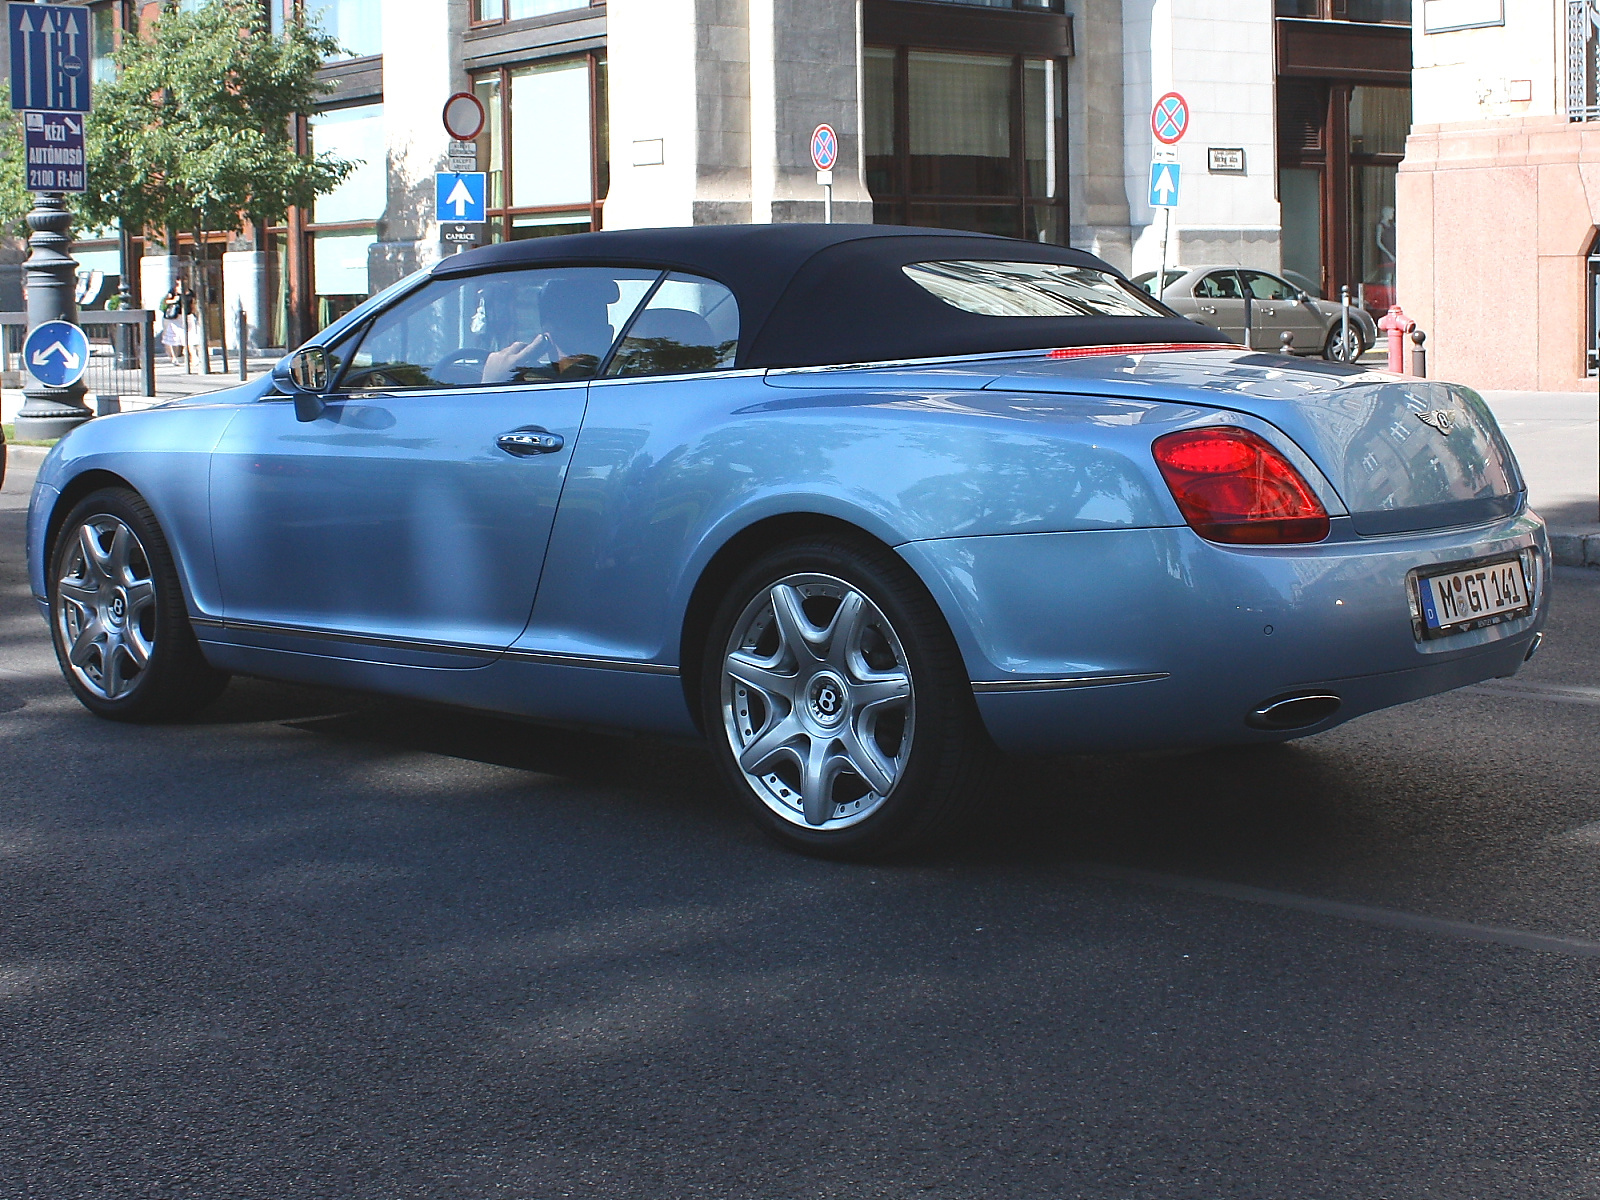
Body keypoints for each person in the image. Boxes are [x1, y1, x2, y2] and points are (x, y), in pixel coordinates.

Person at [160, 280, 191, 366]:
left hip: (186, 316)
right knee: (171, 338)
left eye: (185, 280)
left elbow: (193, 304)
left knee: (188, 337)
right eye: (181, 280)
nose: (184, 282)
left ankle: (192, 358)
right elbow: (166, 301)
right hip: (173, 318)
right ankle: (173, 358)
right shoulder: (173, 291)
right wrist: (174, 300)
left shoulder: (190, 292)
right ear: (177, 281)